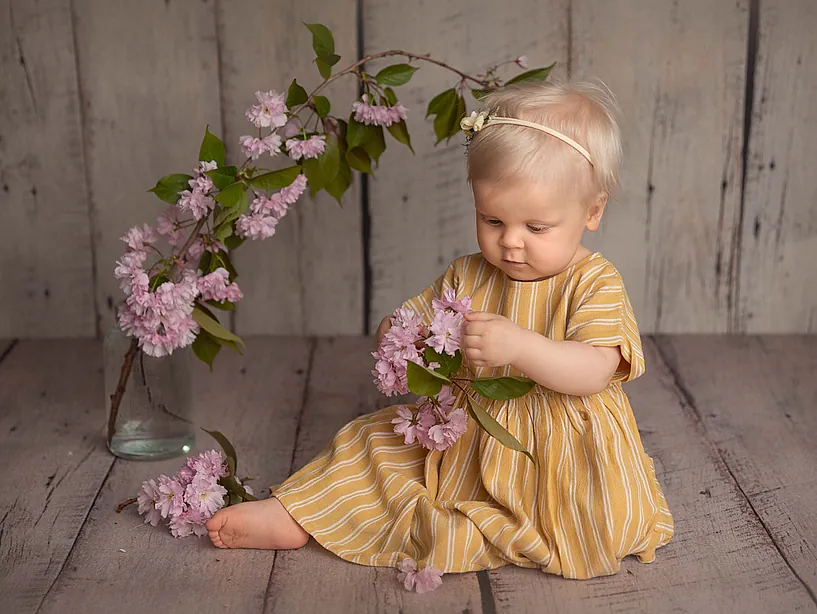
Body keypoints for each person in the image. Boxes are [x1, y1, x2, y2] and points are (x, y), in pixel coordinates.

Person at [205, 79, 675, 582]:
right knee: (369, 440)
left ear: (592, 211)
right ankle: (298, 512)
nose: (510, 242)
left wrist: (521, 346)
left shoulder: (593, 281)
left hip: (558, 452)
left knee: (596, 513)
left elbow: (596, 369)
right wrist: (399, 338)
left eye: (536, 228)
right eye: (492, 219)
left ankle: (511, 517)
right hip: (466, 434)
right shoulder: (468, 274)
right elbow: (410, 323)